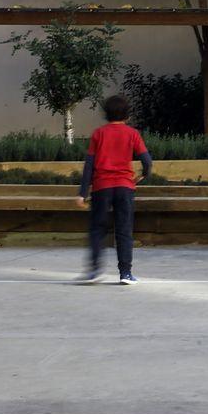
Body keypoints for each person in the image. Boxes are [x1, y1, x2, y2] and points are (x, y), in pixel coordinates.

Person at [77, 95, 154, 285]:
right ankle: (125, 274)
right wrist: (144, 174)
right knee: (124, 230)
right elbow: (147, 161)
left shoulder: (98, 134)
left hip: (102, 187)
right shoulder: (132, 134)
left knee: (97, 229)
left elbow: (89, 165)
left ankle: (94, 271)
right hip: (124, 187)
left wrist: (82, 193)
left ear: (106, 114)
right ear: (127, 115)